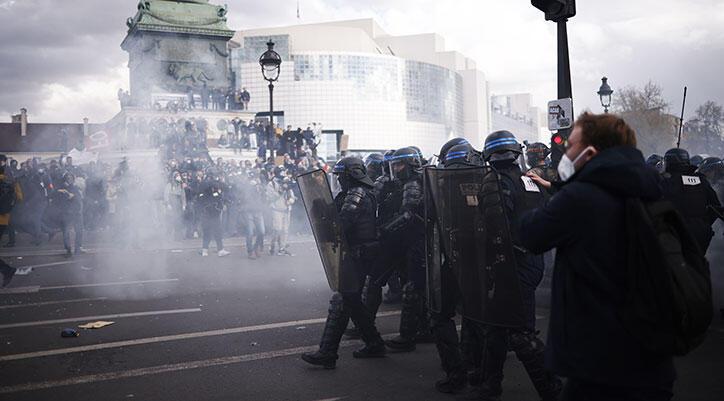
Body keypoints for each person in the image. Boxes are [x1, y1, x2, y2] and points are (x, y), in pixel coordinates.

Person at [520, 113, 676, 401]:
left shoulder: (581, 196)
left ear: (590, 152)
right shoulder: (648, 186)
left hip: (601, 358)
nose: (566, 152)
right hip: (652, 349)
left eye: (572, 145)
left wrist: (565, 185)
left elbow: (531, 234)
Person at [459, 130, 561, 401]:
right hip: (532, 258)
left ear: (490, 155)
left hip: (512, 263)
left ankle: (554, 391)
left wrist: (490, 261)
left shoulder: (495, 180)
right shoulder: (529, 180)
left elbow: (496, 227)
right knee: (495, 327)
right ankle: (489, 386)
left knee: (520, 334)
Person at [301, 157, 386, 368]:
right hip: (359, 253)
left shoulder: (356, 194)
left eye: (342, 176)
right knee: (352, 301)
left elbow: (342, 223)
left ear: (352, 175)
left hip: (359, 254)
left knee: (342, 299)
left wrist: (324, 218)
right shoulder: (357, 192)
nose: (340, 180)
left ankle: (328, 353)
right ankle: (374, 343)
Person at [380, 147, 431, 352]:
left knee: (413, 289)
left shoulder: (413, 183)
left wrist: (385, 230)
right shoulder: (420, 179)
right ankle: (425, 330)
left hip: (418, 241)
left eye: (399, 165)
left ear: (410, 164)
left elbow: (409, 214)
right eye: (394, 165)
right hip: (421, 240)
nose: (396, 169)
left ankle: (407, 337)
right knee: (421, 290)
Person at [660, 148, 721, 253]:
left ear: (669, 162)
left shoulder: (663, 182)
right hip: (699, 234)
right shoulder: (701, 180)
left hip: (673, 234)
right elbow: (716, 206)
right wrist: (703, 223)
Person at [197, 170, 230, 257]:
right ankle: (220, 250)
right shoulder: (214, 184)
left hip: (205, 210)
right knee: (217, 231)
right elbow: (225, 188)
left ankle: (205, 250)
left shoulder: (203, 184)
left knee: (207, 231)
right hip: (214, 211)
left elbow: (199, 197)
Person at [51, 172, 83, 256]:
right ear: (65, 179)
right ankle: (68, 249)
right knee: (66, 232)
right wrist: (61, 191)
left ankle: (78, 248)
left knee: (79, 231)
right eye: (67, 178)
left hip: (76, 212)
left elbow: (79, 199)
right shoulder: (61, 188)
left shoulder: (75, 188)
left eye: (71, 178)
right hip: (66, 213)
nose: (69, 179)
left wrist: (72, 196)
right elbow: (54, 196)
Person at [267, 167, 296, 256]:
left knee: (285, 230)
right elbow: (271, 197)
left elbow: (292, 196)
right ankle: (272, 245)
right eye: (282, 172)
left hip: (286, 210)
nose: (283, 174)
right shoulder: (271, 183)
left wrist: (290, 201)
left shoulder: (286, 181)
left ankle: (282, 248)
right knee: (277, 229)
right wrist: (281, 190)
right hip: (277, 210)